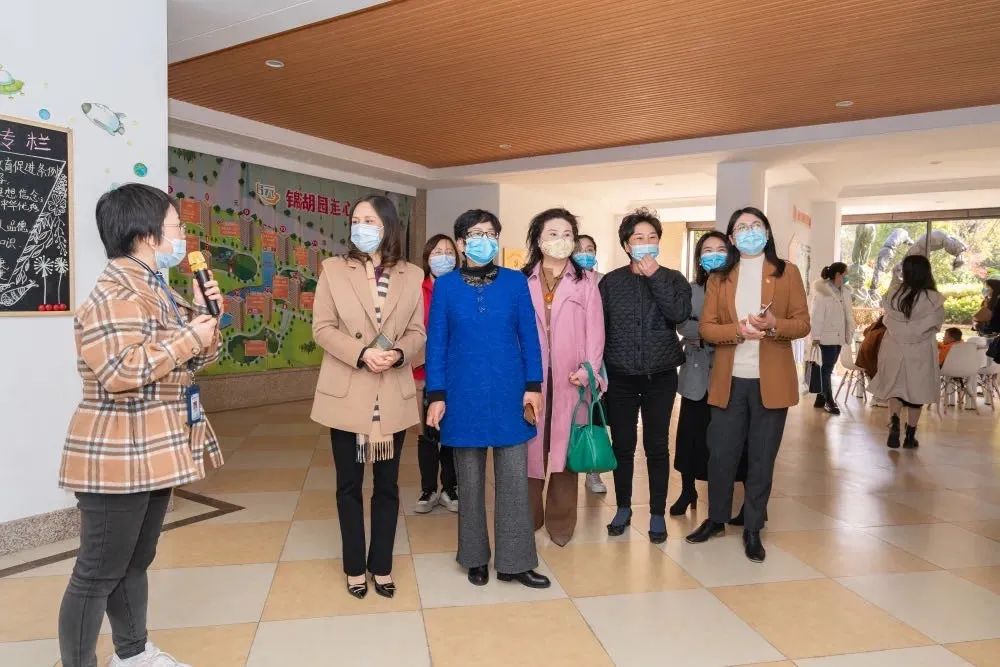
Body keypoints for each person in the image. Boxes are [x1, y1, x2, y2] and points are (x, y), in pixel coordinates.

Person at [58, 184, 223, 667]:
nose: (182, 236)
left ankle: (131, 654)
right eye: (176, 227)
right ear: (148, 234)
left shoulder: (157, 289)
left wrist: (202, 317)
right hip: (117, 451)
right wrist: (187, 338)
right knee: (97, 572)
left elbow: (193, 360)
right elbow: (120, 372)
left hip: (153, 445)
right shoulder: (114, 294)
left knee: (134, 560)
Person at [425, 209, 550, 589]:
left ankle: (516, 562)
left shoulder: (515, 282)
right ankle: (474, 557)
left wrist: (533, 385)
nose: (485, 240)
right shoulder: (446, 287)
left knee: (513, 481)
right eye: (476, 234)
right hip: (462, 397)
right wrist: (436, 394)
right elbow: (437, 345)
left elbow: (530, 338)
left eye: (491, 234)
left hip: (511, 394)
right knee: (470, 482)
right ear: (461, 243)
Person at [311, 195, 426, 599]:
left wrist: (398, 353)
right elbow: (322, 328)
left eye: (369, 220)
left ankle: (381, 565)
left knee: (388, 486)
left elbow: (417, 332)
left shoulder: (412, 274)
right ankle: (353, 566)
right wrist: (361, 353)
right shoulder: (333, 269)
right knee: (349, 486)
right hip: (347, 392)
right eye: (356, 220)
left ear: (389, 226)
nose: (360, 227)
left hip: (391, 393)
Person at [686, 207, 810, 563]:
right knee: (721, 455)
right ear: (731, 238)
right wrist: (738, 331)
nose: (749, 232)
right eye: (741, 227)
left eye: (756, 226)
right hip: (729, 380)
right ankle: (716, 519)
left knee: (761, 457)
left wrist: (773, 324)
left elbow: (802, 324)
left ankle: (753, 526)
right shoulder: (720, 277)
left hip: (771, 383)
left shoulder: (787, 272)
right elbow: (708, 328)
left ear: (767, 233)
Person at [599, 208, 691, 543]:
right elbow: (599, 329)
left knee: (657, 446)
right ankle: (623, 507)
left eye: (652, 237)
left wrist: (655, 277)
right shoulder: (611, 282)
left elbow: (679, 314)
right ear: (626, 244)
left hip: (661, 375)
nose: (646, 243)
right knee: (623, 446)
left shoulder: (673, 278)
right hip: (620, 377)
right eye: (639, 238)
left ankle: (656, 513)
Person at [523, 208, 605, 546]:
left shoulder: (586, 283)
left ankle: (560, 522)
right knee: (529, 449)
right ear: (538, 239)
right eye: (553, 234)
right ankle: (528, 518)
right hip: (531, 380)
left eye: (567, 234)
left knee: (565, 450)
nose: (561, 240)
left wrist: (589, 371)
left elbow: (595, 333)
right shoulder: (521, 280)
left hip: (571, 380)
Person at [671, 231, 732, 516]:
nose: (714, 255)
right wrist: (718, 332)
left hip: (728, 373)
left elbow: (740, 327)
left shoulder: (737, 287)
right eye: (707, 250)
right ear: (698, 257)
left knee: (725, 439)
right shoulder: (691, 288)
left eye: (720, 249)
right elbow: (682, 325)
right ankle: (687, 491)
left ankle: (725, 496)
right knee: (690, 437)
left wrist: (707, 331)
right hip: (695, 375)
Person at [868, 255, 945, 449]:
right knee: (917, 392)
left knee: (896, 387)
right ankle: (910, 436)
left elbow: (886, 319)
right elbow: (936, 324)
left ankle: (894, 422)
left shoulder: (894, 294)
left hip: (894, 348)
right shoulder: (933, 299)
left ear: (906, 272)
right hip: (920, 351)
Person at [414, 234, 460, 513]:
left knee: (452, 433)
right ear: (427, 258)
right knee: (428, 434)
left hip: (457, 374)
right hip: (424, 372)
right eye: (437, 252)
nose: (444, 257)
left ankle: (450, 488)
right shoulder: (416, 290)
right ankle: (428, 489)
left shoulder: (462, 288)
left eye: (449, 252)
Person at [573, 233, 609, 494]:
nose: (585, 254)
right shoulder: (568, 281)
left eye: (589, 249)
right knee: (573, 414)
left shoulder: (604, 281)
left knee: (594, 414)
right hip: (572, 357)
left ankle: (593, 469)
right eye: (579, 249)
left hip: (599, 359)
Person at [809, 262, 856, 415]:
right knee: (827, 370)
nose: (847, 276)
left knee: (827, 368)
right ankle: (829, 401)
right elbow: (816, 316)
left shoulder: (845, 292)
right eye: (845, 274)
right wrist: (815, 336)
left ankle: (820, 398)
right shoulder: (822, 293)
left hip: (839, 337)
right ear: (838, 274)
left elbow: (847, 314)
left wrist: (849, 332)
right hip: (825, 337)